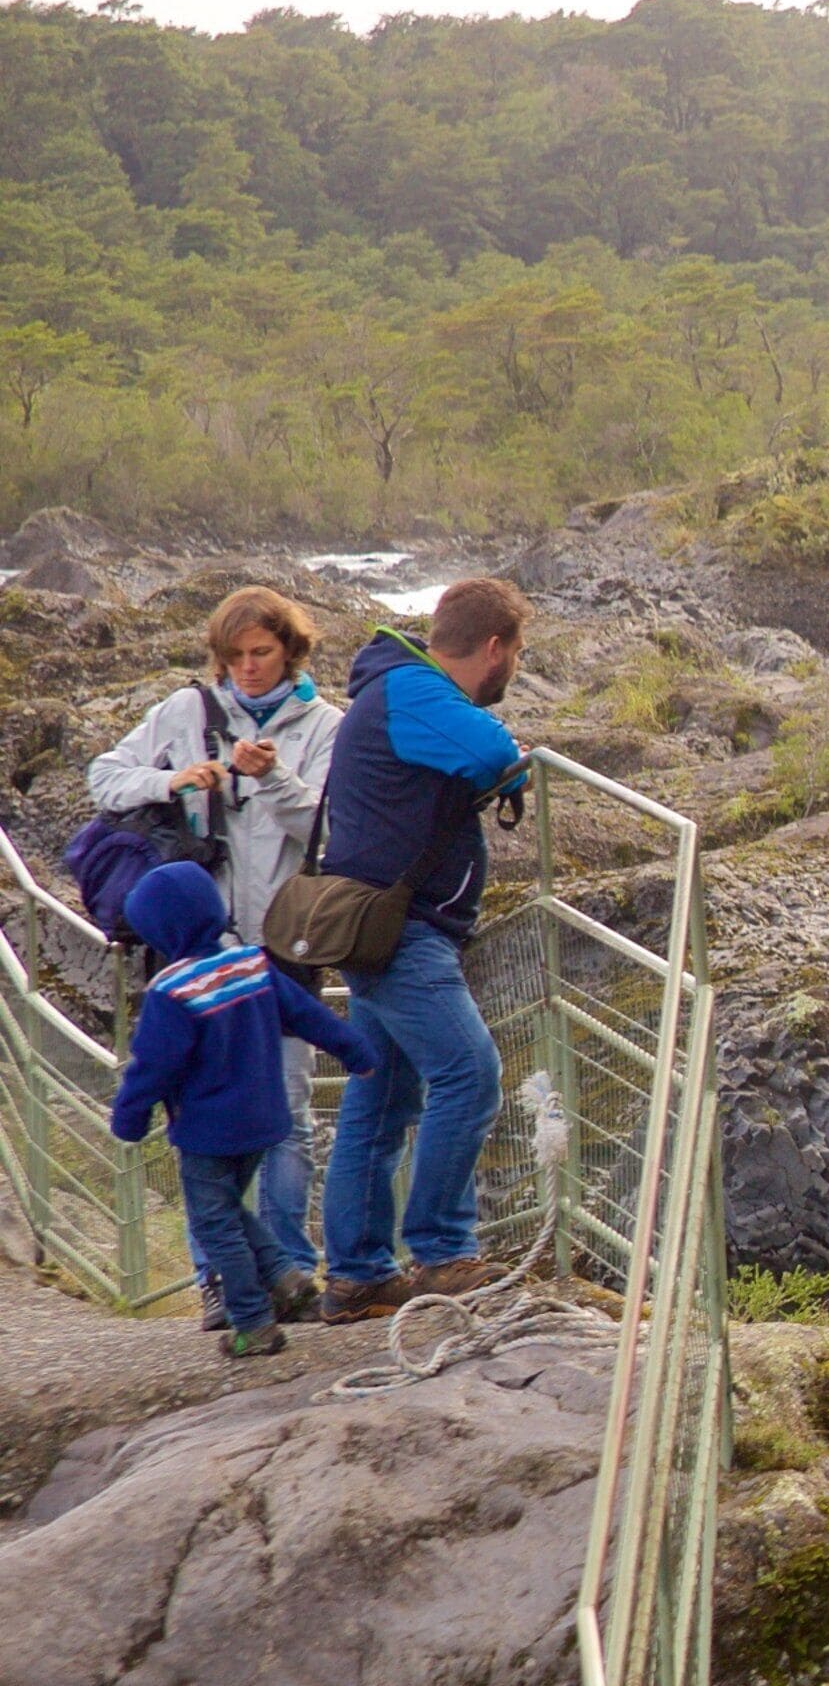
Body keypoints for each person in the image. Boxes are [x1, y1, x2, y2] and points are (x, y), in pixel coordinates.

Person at [83, 585, 344, 1319]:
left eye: (261, 654)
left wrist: (273, 777)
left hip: (283, 940)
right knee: (198, 1124)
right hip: (194, 950)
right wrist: (175, 777)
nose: (248, 670)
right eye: (234, 658)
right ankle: (221, 1284)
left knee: (290, 1114)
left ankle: (288, 1270)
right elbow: (104, 777)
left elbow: (325, 828)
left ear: (290, 650)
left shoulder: (325, 726)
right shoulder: (185, 712)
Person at [316, 577, 532, 1325]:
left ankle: (356, 1277)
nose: (508, 673)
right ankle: (441, 1251)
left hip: (382, 923)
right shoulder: (412, 689)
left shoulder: (392, 685)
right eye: (513, 657)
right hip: (400, 932)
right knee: (470, 1073)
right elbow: (496, 753)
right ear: (495, 647)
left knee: (381, 1097)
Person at [105, 863, 380, 1356]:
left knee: (214, 1224)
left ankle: (253, 1320)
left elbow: (153, 1066)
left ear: (159, 931)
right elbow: (306, 1013)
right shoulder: (250, 964)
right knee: (226, 1208)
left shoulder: (173, 991)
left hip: (209, 1131)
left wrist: (129, 1118)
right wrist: (355, 1052)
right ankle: (285, 1277)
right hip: (265, 1118)